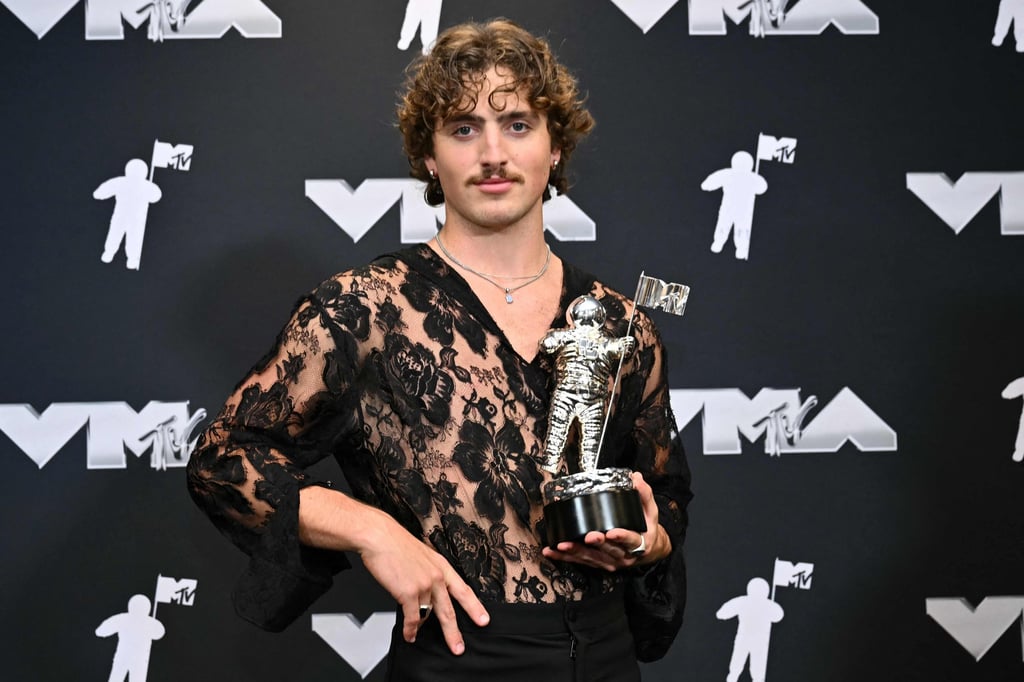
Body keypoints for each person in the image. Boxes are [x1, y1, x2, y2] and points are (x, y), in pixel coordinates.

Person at [186, 18, 691, 680]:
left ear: (555, 147)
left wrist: (647, 540)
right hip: (456, 663)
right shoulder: (364, 308)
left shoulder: (620, 320)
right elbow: (223, 461)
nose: (492, 154)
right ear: (428, 156)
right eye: (462, 128)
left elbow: (668, 499)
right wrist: (373, 530)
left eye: (516, 124)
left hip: (605, 662)